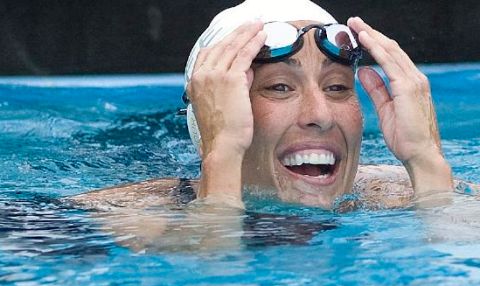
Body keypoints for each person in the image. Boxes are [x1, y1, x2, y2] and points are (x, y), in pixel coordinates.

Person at [71, 0, 478, 213]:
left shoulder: (391, 190)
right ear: (211, 116)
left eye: (338, 88)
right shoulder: (128, 211)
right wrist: (223, 158)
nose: (319, 115)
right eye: (280, 87)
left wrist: (426, 161)